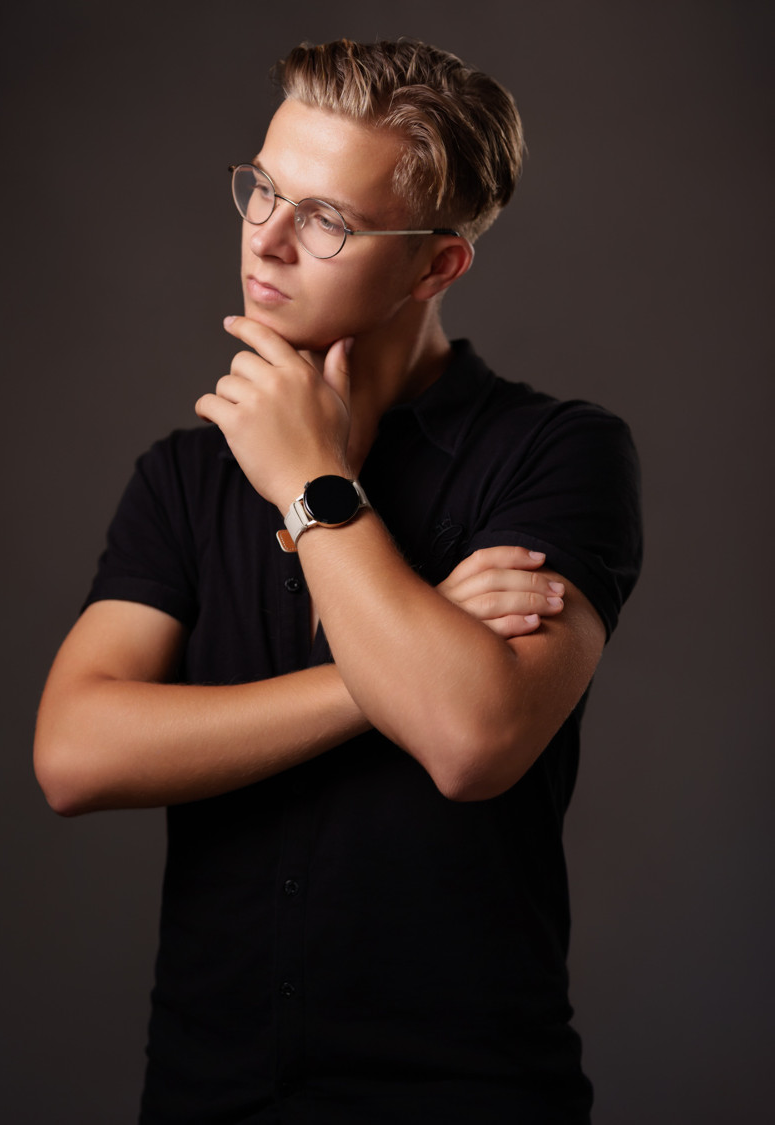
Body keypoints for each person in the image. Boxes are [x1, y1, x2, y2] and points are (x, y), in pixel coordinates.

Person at [34, 37, 642, 1124]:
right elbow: (74, 754)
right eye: (263, 188)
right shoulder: (185, 477)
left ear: (436, 267)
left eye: (326, 219)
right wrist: (395, 666)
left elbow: (471, 741)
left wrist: (310, 485)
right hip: (208, 1098)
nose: (265, 237)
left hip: (469, 1102)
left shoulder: (559, 453)